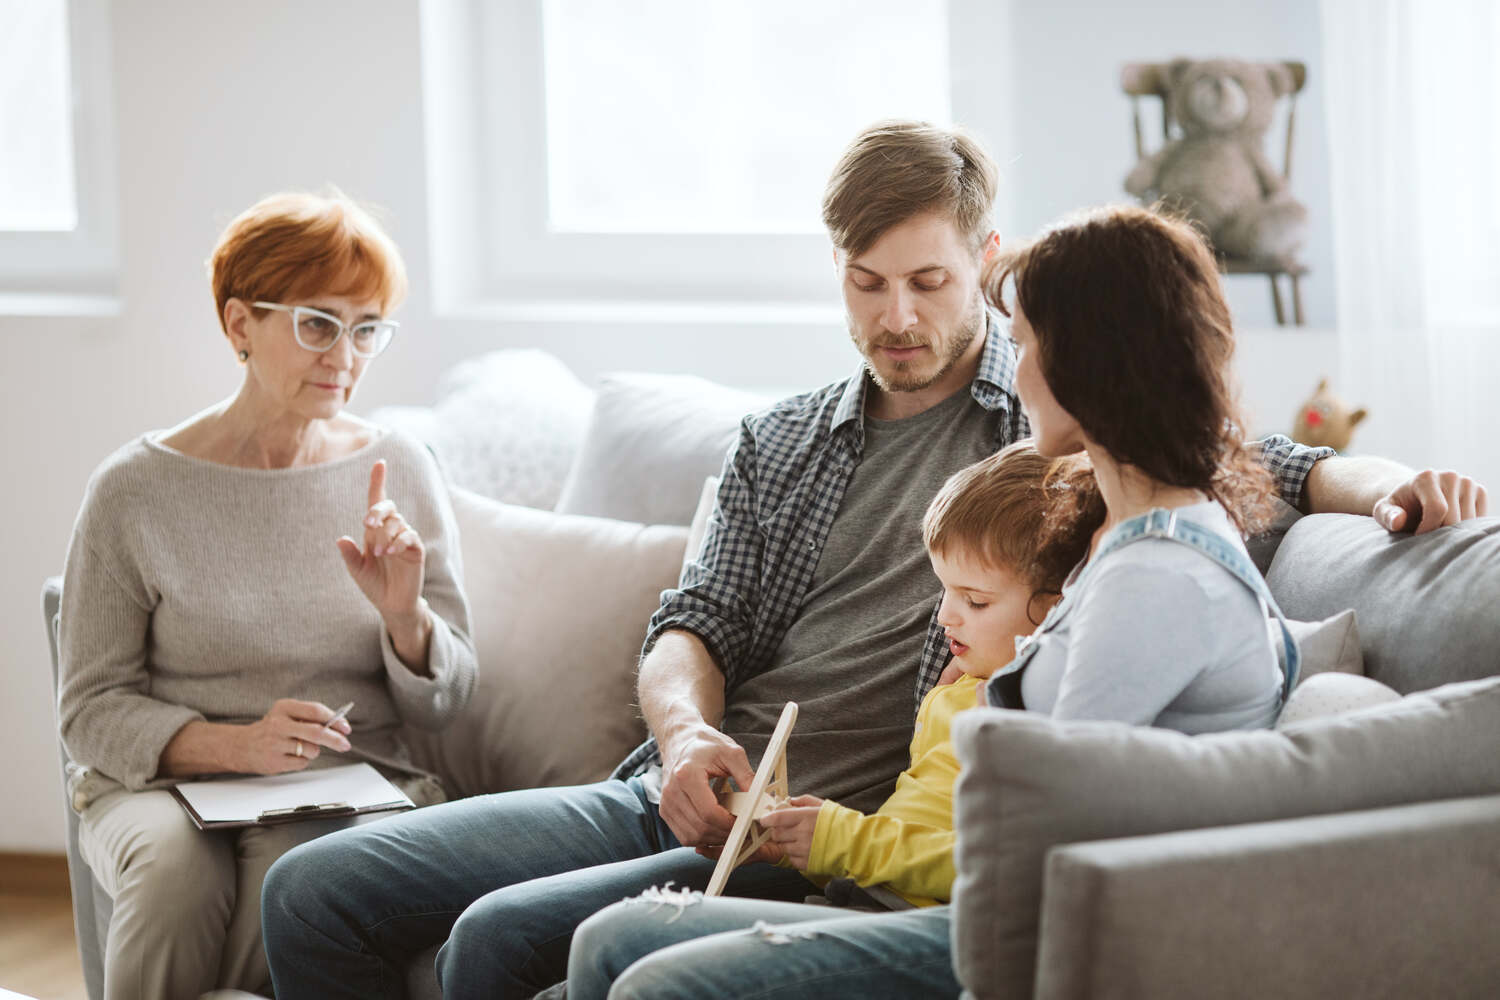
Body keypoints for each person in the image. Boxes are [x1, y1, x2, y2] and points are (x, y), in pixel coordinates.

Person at [261, 122, 1488, 1000]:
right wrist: (686, 737)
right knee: (312, 894)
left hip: (846, 830)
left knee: (500, 941)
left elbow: (1259, 460)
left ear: (986, 264)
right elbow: (695, 620)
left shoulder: (1066, 445)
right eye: (866, 283)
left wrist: (1404, 489)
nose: (897, 315)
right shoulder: (782, 440)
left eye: (930, 283)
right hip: (684, 784)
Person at [560, 205, 1310, 997]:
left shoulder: (1158, 577)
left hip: (1004, 931)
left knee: (652, 980)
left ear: (1091, 363)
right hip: (956, 893)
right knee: (611, 938)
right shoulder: (1126, 542)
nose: (1016, 373)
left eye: (1024, 346)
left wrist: (852, 847)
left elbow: (1043, 829)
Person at [57, 190, 477, 1000]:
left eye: (366, 329)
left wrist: (404, 617)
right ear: (239, 324)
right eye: (318, 323)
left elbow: (448, 702)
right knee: (174, 879)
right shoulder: (132, 491)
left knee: (295, 871)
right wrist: (235, 746)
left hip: (350, 778)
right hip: (162, 786)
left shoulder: (401, 469)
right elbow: (89, 709)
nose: (345, 356)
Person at [563, 440, 1093, 999]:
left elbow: (990, 867)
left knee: (620, 949)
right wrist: (803, 845)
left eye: (975, 601)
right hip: (859, 899)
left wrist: (840, 840)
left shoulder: (1035, 711)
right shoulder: (960, 685)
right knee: (598, 952)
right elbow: (914, 825)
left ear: (1057, 609)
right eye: (944, 590)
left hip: (904, 924)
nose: (944, 615)